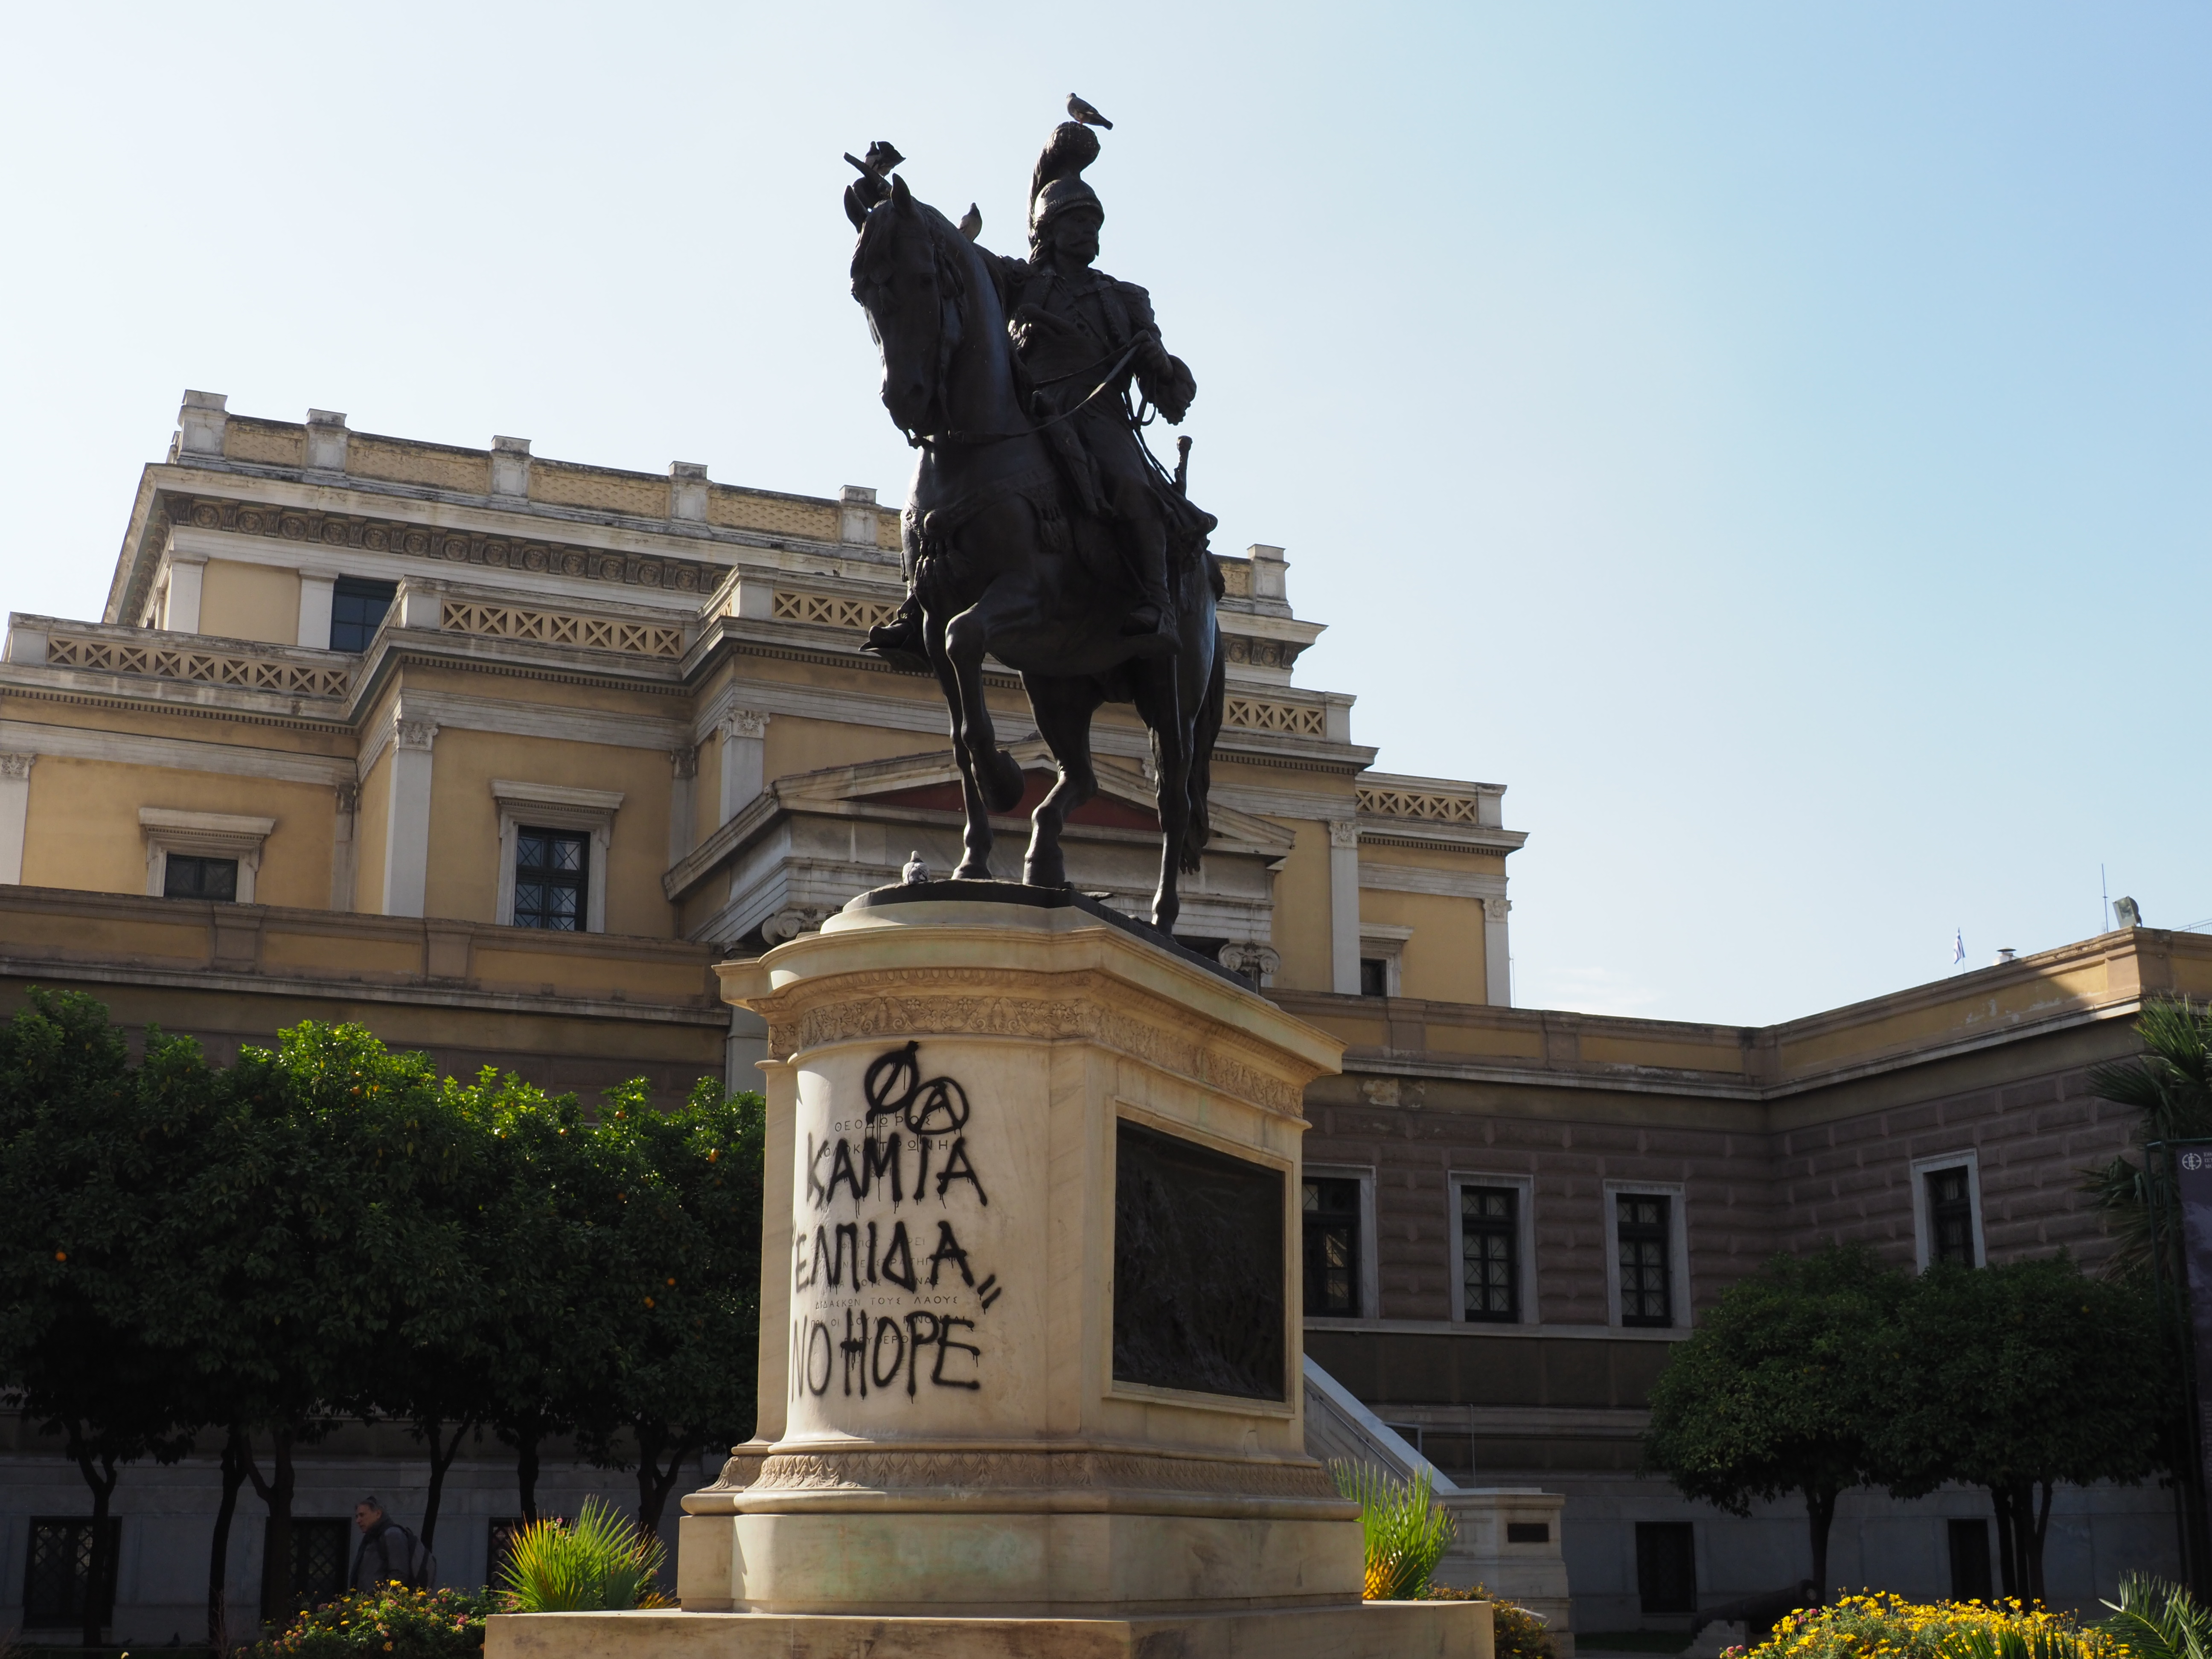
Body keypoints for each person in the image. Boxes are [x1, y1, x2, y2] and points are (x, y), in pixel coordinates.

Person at [866, 120, 1215, 664]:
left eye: (1094, 224)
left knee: (1128, 483)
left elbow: (1173, 398)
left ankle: (1158, 602)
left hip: (1096, 417)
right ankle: (919, 601)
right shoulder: (1020, 282)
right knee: (945, 475)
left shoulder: (1123, 297)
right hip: (1028, 410)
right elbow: (950, 252)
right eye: (1077, 223)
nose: (1090, 235)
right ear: (1049, 230)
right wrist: (888, 206)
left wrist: (1158, 362)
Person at [349, 1496, 428, 1591]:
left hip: (381, 1602)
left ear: (378, 1514)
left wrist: (384, 1599)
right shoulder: (373, 1537)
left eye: (362, 1515)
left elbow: (399, 1574)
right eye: (357, 1516)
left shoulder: (392, 1534)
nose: (358, 1521)